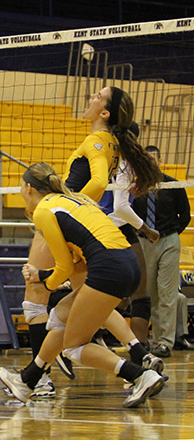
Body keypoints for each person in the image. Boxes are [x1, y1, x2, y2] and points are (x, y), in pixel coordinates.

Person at [22, 86, 160, 392]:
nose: (90, 97)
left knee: (34, 303)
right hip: (81, 225)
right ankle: (137, 351)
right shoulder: (111, 142)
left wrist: (71, 208)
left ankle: (39, 379)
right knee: (86, 297)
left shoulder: (97, 140)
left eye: (97, 96)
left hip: (61, 218)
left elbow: (98, 181)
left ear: (105, 113)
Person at [0, 162, 165, 409]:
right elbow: (82, 263)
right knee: (59, 318)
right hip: (128, 265)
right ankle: (28, 380)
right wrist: (44, 274)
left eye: (21, 188)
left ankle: (139, 375)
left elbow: (64, 268)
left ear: (29, 188)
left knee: (73, 348)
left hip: (110, 269)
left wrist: (43, 280)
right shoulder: (76, 200)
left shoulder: (45, 211)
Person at [98, 122, 162, 348]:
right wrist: (146, 229)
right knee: (135, 293)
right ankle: (138, 348)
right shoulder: (123, 164)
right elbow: (121, 207)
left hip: (105, 225)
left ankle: (139, 348)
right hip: (110, 227)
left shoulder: (102, 157)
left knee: (131, 292)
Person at [133, 146, 191, 358]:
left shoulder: (172, 184)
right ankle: (152, 338)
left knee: (167, 293)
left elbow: (184, 215)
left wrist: (169, 234)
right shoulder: (136, 185)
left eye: (153, 159)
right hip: (144, 242)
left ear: (160, 160)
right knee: (150, 293)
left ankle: (165, 342)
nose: (150, 163)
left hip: (168, 241)